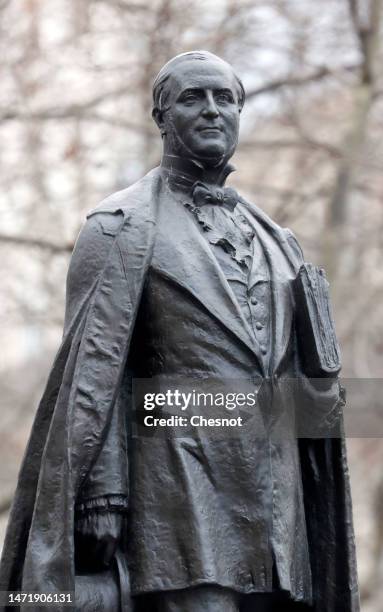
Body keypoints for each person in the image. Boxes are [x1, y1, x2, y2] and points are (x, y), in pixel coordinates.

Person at [0, 51, 359, 612]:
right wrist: (103, 489)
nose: (212, 111)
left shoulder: (279, 242)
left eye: (226, 99)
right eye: (193, 98)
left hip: (276, 506)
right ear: (161, 117)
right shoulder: (119, 227)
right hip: (178, 493)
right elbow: (93, 374)